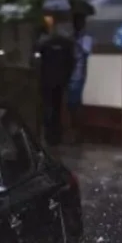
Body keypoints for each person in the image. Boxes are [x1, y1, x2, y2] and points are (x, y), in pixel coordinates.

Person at [36, 16, 75, 146]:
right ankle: (56, 136)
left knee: (48, 107)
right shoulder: (66, 43)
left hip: (46, 80)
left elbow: (37, 60)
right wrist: (67, 77)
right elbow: (71, 63)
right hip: (60, 81)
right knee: (57, 108)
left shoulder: (44, 43)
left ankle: (49, 136)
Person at [66, 14, 93, 142]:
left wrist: (75, 43)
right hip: (68, 74)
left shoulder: (86, 38)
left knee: (76, 104)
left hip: (78, 74)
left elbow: (85, 52)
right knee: (70, 104)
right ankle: (71, 131)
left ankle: (78, 133)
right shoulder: (71, 38)